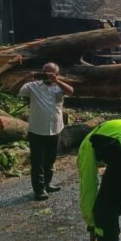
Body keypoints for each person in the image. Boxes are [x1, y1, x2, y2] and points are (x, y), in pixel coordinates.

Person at [19, 63, 73, 201]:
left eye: (51, 73)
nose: (47, 76)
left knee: (50, 159)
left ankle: (48, 184)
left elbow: (71, 91)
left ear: (57, 74)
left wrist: (57, 81)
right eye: (45, 72)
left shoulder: (58, 87)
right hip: (37, 129)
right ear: (41, 72)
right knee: (38, 161)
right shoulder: (32, 86)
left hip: (55, 128)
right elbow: (13, 90)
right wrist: (25, 77)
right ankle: (39, 189)